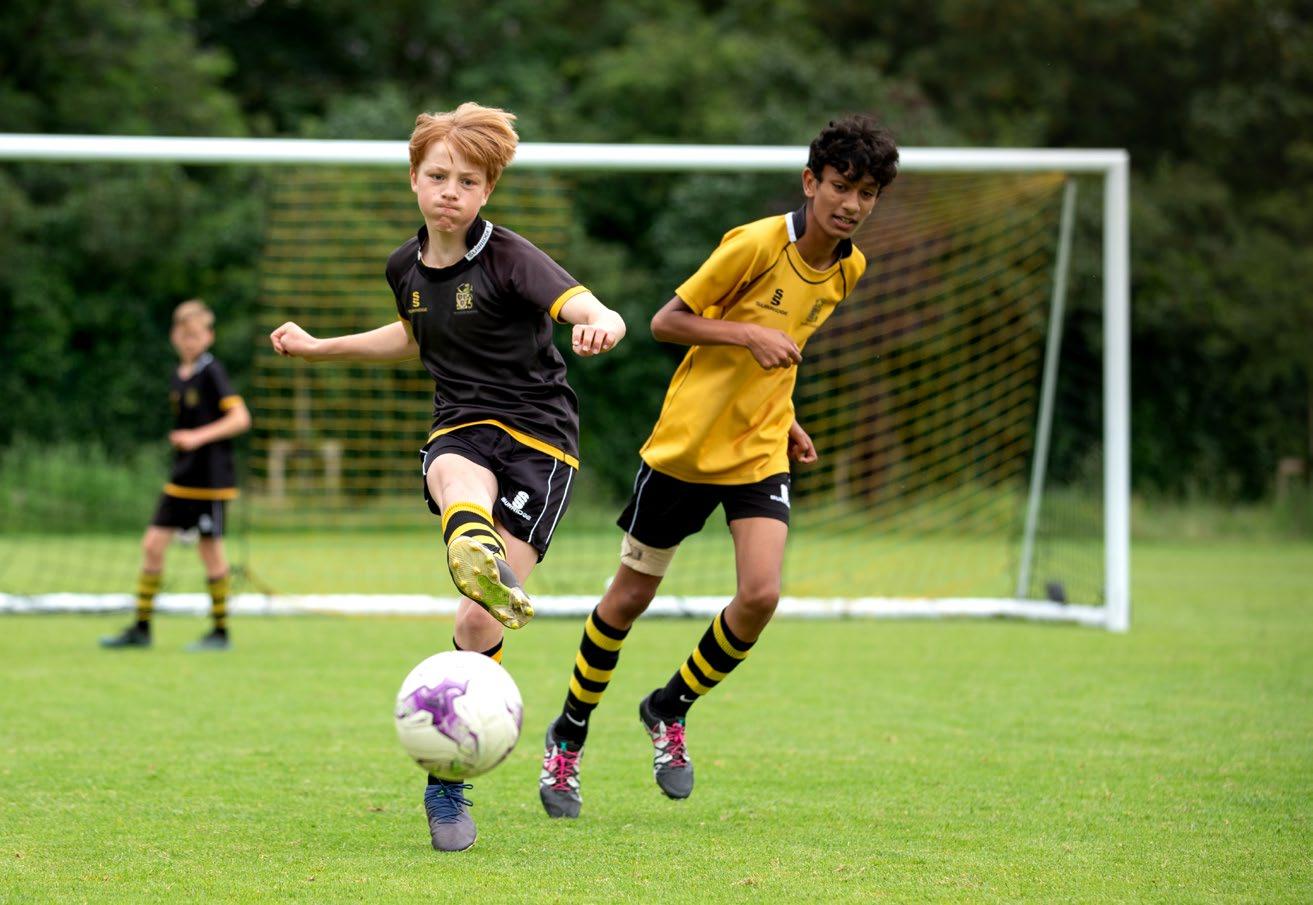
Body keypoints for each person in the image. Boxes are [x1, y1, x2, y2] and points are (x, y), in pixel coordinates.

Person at [269, 103, 626, 851]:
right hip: (461, 423)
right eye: (438, 176)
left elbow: (585, 304)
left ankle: (479, 560)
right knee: (456, 471)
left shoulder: (510, 258)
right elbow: (413, 335)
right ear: (414, 178)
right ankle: (446, 780)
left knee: (475, 624)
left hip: (539, 442)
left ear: (487, 191)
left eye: (467, 181)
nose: (450, 192)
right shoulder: (402, 267)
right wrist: (321, 346)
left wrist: (603, 322)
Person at [538, 115, 899, 819]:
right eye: (841, 185)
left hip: (758, 451)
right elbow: (666, 322)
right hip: (687, 449)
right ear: (810, 182)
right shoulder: (756, 244)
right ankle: (568, 734)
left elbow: (780, 353)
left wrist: (786, 419)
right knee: (627, 600)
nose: (852, 204)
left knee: (760, 594)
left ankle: (668, 706)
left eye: (867, 193)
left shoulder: (849, 268)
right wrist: (746, 334)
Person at [101, 299, 253, 652]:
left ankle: (220, 632)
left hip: (210, 481)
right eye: (184, 335)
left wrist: (197, 437)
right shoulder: (179, 375)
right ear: (174, 336)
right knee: (152, 545)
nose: (189, 342)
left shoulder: (212, 371)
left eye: (196, 335)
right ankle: (141, 628)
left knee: (210, 552)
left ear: (209, 336)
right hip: (182, 477)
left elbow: (240, 419)